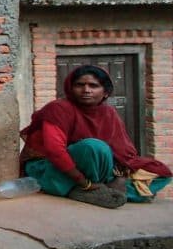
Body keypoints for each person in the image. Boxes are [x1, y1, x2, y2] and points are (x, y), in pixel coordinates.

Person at [19, 65, 171, 208]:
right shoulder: (58, 108)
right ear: (71, 88)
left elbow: (124, 153)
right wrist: (85, 182)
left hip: (95, 168)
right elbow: (55, 151)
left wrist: (121, 178)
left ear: (105, 92)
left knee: (161, 172)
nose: (86, 90)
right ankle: (88, 189)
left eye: (93, 86)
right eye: (79, 85)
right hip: (50, 168)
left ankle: (97, 190)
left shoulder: (108, 113)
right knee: (93, 147)